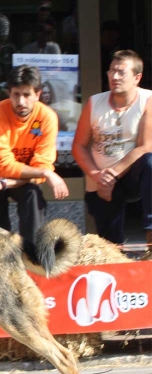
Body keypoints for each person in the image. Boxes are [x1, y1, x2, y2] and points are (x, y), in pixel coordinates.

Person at [0, 65, 69, 244]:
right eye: (16, 94)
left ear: (37, 95)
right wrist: (46, 173)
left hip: (15, 181)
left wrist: (6, 183)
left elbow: (41, 167)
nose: (21, 102)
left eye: (27, 95)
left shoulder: (47, 117)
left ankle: (32, 257)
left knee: (33, 195)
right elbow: (4, 166)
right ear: (9, 93)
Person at [72, 49, 152, 246]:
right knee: (111, 247)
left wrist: (113, 174)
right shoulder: (94, 103)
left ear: (137, 77)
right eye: (111, 71)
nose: (114, 77)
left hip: (130, 175)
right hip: (101, 182)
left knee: (151, 162)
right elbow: (79, 146)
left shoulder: (148, 100)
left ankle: (151, 232)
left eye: (121, 72)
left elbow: (145, 146)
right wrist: (98, 175)